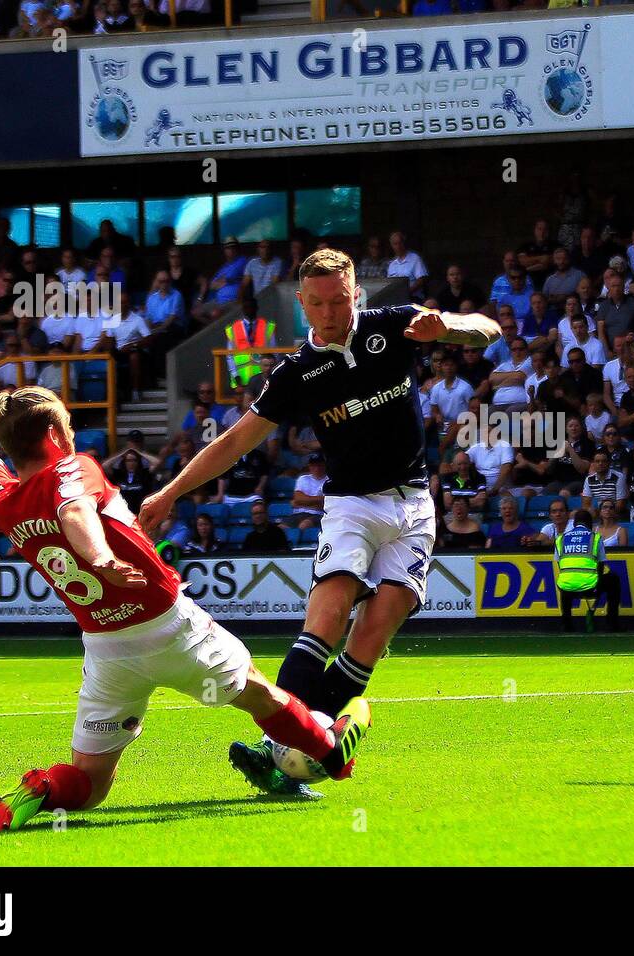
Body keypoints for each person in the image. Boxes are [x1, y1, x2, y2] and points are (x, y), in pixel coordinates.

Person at [0, 353, 369, 831]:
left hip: (107, 651)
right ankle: (333, 756)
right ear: (56, 437)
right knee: (260, 695)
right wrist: (100, 558)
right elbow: (74, 511)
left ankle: (43, 788)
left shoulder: (1, 501)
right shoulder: (72, 469)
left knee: (89, 783)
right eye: (69, 428)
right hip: (170, 629)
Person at [137, 248, 498, 795]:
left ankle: (285, 754)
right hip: (351, 505)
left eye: (341, 300)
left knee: (374, 633)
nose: (332, 312)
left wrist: (449, 327)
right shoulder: (297, 373)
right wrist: (170, 492)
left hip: (415, 505)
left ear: (357, 294)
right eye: (319, 304)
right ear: (302, 305)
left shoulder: (396, 327)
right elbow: (235, 442)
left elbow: (487, 329)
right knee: (326, 619)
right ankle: (285, 746)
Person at [554, 509, 621, 633]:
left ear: (574, 524)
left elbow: (560, 565)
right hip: (590, 586)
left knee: (566, 580)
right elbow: (601, 565)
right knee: (613, 579)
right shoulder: (595, 538)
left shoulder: (560, 539)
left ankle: (566, 625)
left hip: (566, 587)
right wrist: (596, 585)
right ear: (590, 524)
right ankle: (612, 623)